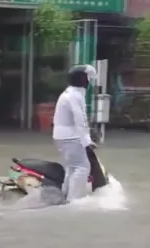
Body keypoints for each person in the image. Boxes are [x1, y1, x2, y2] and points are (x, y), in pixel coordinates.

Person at [52, 64, 98, 202]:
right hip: (70, 136)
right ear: (83, 80)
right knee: (82, 167)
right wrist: (87, 140)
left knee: (72, 168)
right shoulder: (75, 96)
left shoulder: (68, 93)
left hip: (61, 136)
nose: (89, 82)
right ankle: (73, 201)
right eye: (88, 78)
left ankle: (66, 196)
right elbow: (81, 119)